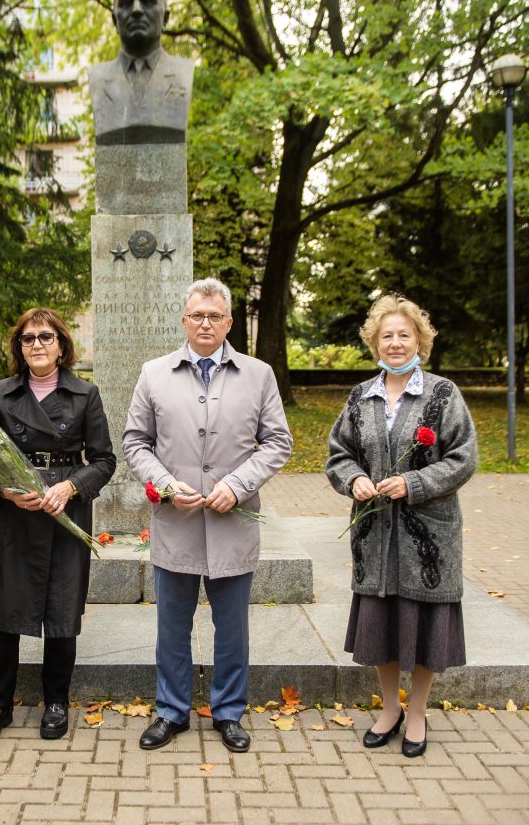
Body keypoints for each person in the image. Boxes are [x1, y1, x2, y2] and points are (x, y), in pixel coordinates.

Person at [123, 278, 292, 752]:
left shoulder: (258, 375)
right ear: (183, 320)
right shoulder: (154, 373)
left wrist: (237, 486)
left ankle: (229, 712)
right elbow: (136, 442)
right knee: (171, 626)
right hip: (175, 522)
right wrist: (164, 485)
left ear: (229, 323)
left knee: (232, 627)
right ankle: (171, 711)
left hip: (231, 523)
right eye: (197, 315)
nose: (205, 323)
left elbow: (279, 442)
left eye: (215, 316)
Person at [326, 294, 478, 758]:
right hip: (374, 535)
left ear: (420, 341)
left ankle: (417, 713)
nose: (395, 343)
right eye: (387, 335)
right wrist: (353, 480)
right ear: (375, 341)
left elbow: (464, 458)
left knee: (423, 623)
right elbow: (339, 453)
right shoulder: (360, 396)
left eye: (404, 335)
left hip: (427, 536)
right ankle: (390, 708)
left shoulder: (443, 394)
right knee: (383, 624)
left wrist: (411, 483)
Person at [0, 308, 116, 745]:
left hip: (62, 512)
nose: (36, 345)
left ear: (61, 345)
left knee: (62, 609)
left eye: (45, 337)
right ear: (19, 347)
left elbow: (104, 460)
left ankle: (55, 701)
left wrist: (69, 487)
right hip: (13, 513)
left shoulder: (85, 394)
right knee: (3, 610)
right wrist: (6, 491)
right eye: (28, 339)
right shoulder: (2, 392)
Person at [88, 0, 195, 146]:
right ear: (115, 20)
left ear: (165, 18)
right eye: (126, 3)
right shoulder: (98, 78)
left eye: (147, 1)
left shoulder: (183, 75)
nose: (136, 10)